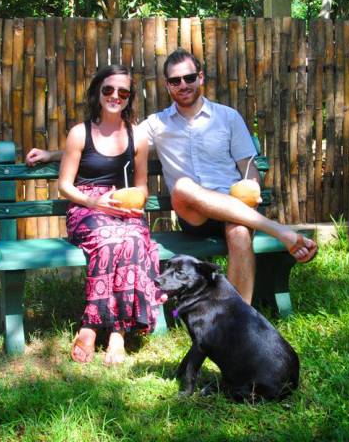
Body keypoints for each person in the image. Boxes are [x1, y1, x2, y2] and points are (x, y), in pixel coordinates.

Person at [26, 49, 317, 305]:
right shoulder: (157, 124)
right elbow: (110, 143)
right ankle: (279, 231)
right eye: (175, 81)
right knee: (184, 186)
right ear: (167, 85)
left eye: (189, 78)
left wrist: (251, 185)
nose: (183, 85)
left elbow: (248, 166)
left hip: (233, 207)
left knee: (240, 233)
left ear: (200, 78)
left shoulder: (228, 117)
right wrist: (53, 154)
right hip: (193, 214)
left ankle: (238, 319)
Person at [27, 65, 164, 366]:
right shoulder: (80, 133)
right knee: (110, 239)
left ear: (129, 97)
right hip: (86, 208)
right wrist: (95, 202)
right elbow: (65, 186)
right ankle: (97, 326)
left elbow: (142, 186)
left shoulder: (137, 136)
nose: (115, 96)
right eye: (108, 89)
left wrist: (133, 201)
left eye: (123, 92)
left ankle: (113, 332)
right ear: (97, 92)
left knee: (132, 240)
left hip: (123, 207)